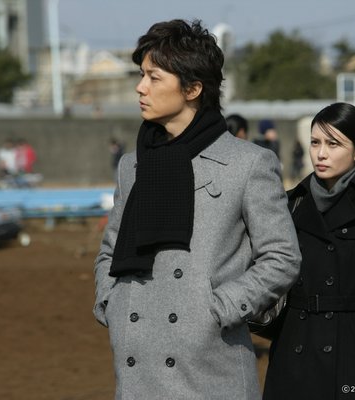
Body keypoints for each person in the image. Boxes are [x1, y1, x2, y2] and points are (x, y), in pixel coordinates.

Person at [92, 19, 301, 400]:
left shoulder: (249, 163)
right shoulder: (132, 165)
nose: (140, 87)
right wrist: (113, 302)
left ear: (192, 88)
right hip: (137, 366)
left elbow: (282, 257)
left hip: (211, 368)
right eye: (141, 75)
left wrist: (217, 309)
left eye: (154, 78)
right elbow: (110, 250)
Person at [263, 102, 355, 400]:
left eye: (333, 144)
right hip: (292, 360)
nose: (321, 154)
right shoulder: (290, 204)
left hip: (352, 362)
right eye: (315, 142)